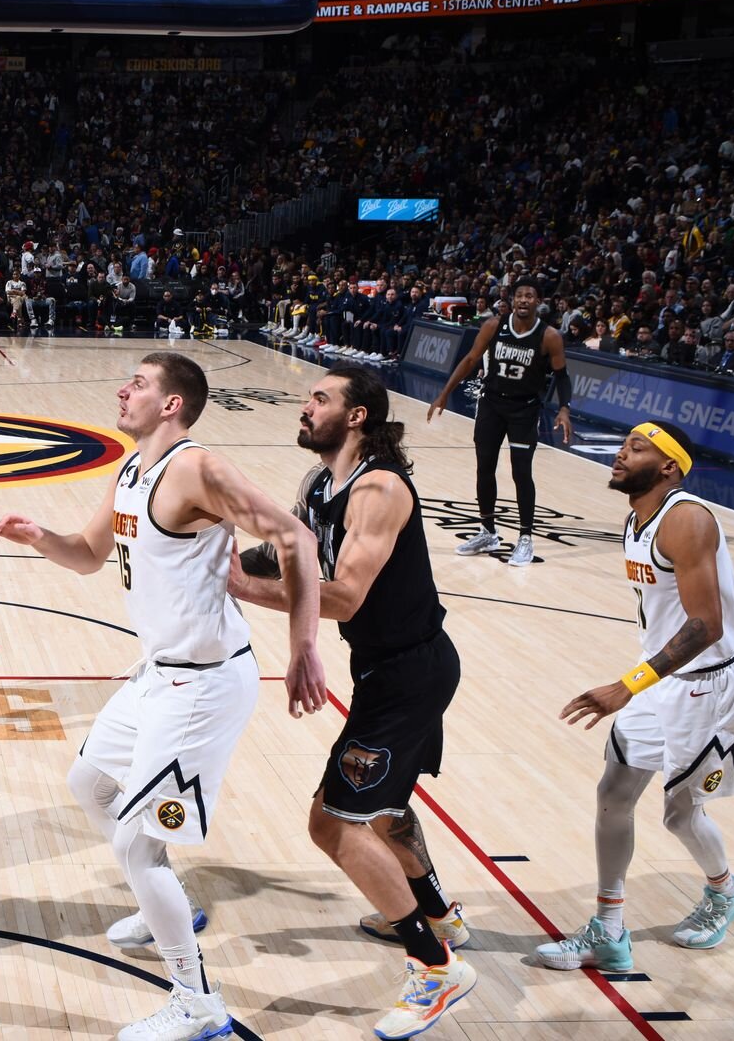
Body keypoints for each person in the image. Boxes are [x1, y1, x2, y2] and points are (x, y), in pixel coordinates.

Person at [0, 351, 328, 1041]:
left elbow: (295, 535)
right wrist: (38, 538)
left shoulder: (197, 468)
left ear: (172, 403)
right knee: (89, 783)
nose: (124, 388)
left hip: (204, 684)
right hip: (158, 672)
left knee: (135, 848)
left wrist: (303, 647)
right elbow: (87, 555)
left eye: (139, 383)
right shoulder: (130, 467)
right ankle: (163, 904)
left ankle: (197, 1001)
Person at [228, 368, 477, 1039]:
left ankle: (435, 966)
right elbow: (293, 552)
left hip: (410, 675)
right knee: (389, 811)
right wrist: (219, 552)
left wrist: (243, 591)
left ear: (358, 416)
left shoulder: (379, 490)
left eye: (321, 399)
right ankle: (441, 915)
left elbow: (342, 596)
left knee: (332, 824)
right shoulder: (320, 485)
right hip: (389, 669)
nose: (305, 408)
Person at [540, 423, 734, 970]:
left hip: (709, 686)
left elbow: (705, 625)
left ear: (669, 467)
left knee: (681, 815)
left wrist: (626, 685)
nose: (620, 453)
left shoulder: (686, 519)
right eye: (624, 444)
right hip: (663, 682)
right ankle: (608, 930)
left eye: (637, 447)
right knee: (613, 793)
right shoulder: (636, 519)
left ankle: (725, 891)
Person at [427, 276, 575, 566]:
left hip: (524, 410)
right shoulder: (494, 326)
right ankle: (488, 531)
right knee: (485, 467)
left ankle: (525, 538)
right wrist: (444, 393)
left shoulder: (549, 336)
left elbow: (562, 376)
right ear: (512, 299)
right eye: (519, 295)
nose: (523, 300)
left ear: (538, 301)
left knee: (521, 472)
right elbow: (471, 359)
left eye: (529, 295)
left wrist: (564, 408)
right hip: (492, 404)